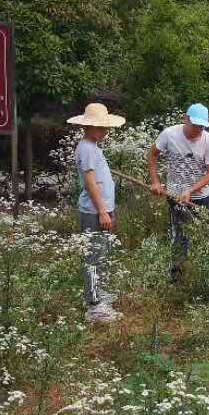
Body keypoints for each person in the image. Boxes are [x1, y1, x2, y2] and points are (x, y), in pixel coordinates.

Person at [148, 103, 209, 282]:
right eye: (195, 125)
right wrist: (155, 182)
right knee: (179, 235)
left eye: (202, 126)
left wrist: (191, 190)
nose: (198, 130)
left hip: (204, 197)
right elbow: (153, 154)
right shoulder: (169, 134)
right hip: (175, 197)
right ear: (186, 119)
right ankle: (176, 277)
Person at [67, 102, 126, 324]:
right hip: (94, 211)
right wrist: (102, 212)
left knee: (103, 253)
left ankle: (98, 294)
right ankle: (93, 305)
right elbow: (91, 184)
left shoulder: (93, 146)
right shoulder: (87, 148)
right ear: (88, 127)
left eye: (105, 127)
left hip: (103, 209)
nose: (104, 131)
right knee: (93, 255)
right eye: (100, 127)